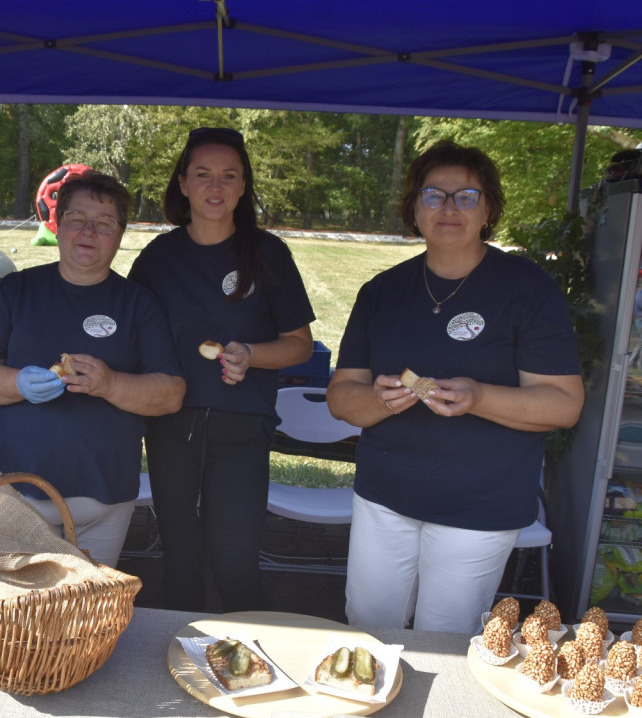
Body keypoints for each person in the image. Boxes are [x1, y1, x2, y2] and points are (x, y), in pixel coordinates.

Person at [326, 140, 585, 634]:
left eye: (466, 196)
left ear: (487, 209)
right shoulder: (381, 292)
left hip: (480, 504)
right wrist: (380, 401)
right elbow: (342, 396)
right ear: (414, 209)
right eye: (433, 195)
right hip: (386, 496)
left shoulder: (527, 290)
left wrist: (479, 397)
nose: (448, 208)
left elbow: (564, 404)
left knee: (444, 638)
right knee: (367, 624)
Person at [128, 127, 315, 611]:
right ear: (184, 184)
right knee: (181, 560)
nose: (216, 187)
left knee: (235, 563)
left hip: (243, 428)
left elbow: (298, 346)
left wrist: (252, 355)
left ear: (243, 186)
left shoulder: (267, 253)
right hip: (172, 427)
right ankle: (176, 664)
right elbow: (133, 343)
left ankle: (248, 664)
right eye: (203, 175)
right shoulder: (158, 259)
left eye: (229, 176)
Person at [0, 171, 185, 567]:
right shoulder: (16, 292)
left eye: (104, 223)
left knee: (86, 618)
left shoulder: (138, 304)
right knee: (19, 614)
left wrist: (111, 383)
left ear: (120, 235)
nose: (89, 231)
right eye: (76, 219)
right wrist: (18, 382)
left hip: (105, 500)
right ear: (57, 224)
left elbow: (170, 394)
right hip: (18, 495)